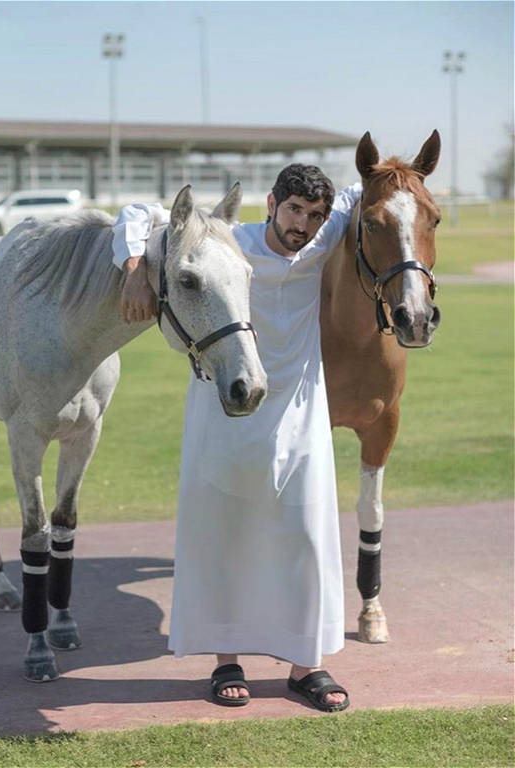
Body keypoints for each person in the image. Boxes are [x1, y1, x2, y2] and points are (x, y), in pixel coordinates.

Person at [112, 166, 361, 712]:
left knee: (308, 538)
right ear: (271, 203)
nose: (303, 224)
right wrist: (133, 268)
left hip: (299, 415)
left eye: (315, 215)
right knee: (223, 536)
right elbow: (138, 213)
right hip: (222, 410)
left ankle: (307, 666)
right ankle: (227, 659)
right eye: (294, 209)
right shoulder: (229, 239)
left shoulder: (320, 241)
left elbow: (369, 189)